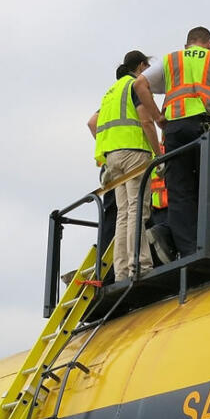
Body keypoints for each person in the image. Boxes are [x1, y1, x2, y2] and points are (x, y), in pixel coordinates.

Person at [133, 27, 210, 260]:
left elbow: (140, 85)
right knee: (206, 189)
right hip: (208, 130)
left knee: (179, 191)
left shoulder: (172, 60)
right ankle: (207, 245)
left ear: (187, 43)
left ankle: (187, 250)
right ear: (209, 43)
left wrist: (159, 117)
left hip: (176, 129)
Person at [88, 50, 161, 282]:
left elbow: (92, 123)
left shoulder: (110, 92)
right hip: (134, 153)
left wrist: (111, 148)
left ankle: (121, 272)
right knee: (137, 210)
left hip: (112, 159)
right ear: (141, 66)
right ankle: (139, 265)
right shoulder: (135, 86)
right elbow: (147, 121)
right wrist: (158, 155)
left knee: (123, 214)